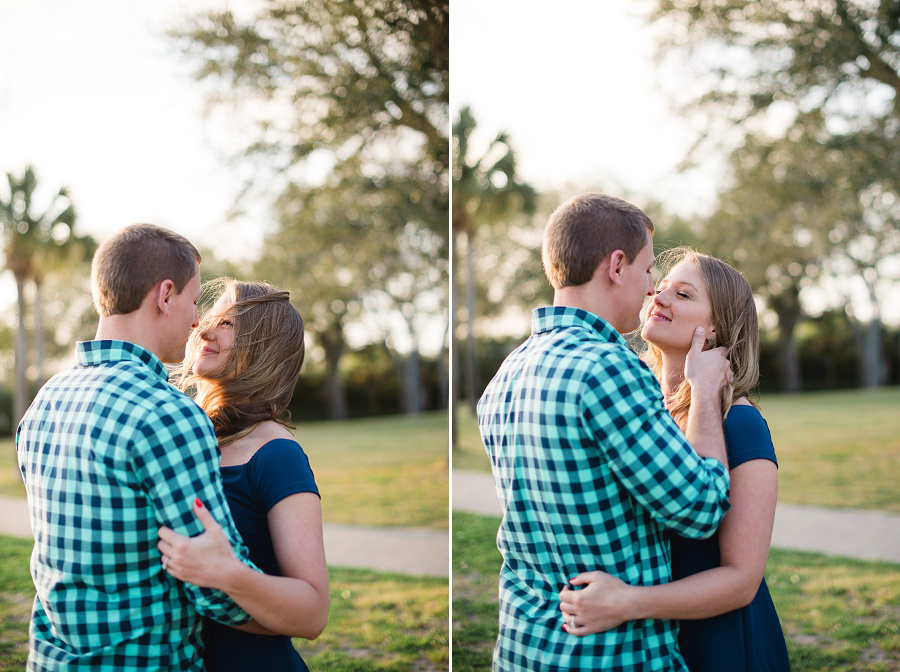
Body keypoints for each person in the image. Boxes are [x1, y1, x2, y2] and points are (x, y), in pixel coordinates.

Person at [477, 193, 734, 672]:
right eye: (648, 269)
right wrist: (703, 392)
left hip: (523, 651)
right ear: (617, 266)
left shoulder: (505, 376)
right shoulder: (607, 367)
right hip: (613, 657)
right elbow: (702, 507)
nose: (651, 288)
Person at [16, 224, 256, 671]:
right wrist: (294, 609)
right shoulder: (168, 415)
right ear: (165, 295)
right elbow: (220, 592)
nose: (195, 320)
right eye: (194, 299)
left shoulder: (45, 402)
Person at [559, 247, 790, 671]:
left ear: (717, 327)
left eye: (683, 295)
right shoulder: (639, 411)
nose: (658, 297)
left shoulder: (740, 424)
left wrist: (627, 603)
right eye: (661, 287)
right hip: (647, 647)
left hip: (719, 644)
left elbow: (742, 580)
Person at [157, 278, 329, 672]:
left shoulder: (276, 454)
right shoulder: (181, 433)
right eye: (211, 317)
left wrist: (229, 575)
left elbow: (313, 613)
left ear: (264, 346)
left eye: (229, 324)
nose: (204, 328)